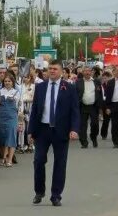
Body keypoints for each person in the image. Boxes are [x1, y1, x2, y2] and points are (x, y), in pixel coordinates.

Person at [28, 61, 80, 207]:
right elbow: (35, 110)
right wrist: (31, 131)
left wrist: (74, 129)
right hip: (43, 129)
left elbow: (75, 110)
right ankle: (39, 191)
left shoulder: (68, 88)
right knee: (38, 160)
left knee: (60, 163)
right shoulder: (41, 87)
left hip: (60, 130)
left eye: (55, 69)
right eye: (50, 69)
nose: (52, 71)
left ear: (61, 72)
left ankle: (56, 195)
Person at [75, 66, 103, 148]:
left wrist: (101, 107)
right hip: (82, 106)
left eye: (89, 71)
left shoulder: (97, 82)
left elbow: (100, 94)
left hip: (93, 106)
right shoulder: (78, 82)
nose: (87, 73)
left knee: (95, 124)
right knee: (82, 126)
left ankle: (93, 138)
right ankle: (84, 142)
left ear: (92, 72)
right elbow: (75, 95)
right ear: (82, 72)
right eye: (85, 71)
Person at [0, 73, 20, 167]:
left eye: (9, 81)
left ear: (12, 82)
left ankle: (9, 159)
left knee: (11, 137)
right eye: (5, 81)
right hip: (1, 116)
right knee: (1, 137)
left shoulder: (16, 92)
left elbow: (19, 106)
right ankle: (2, 157)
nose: (7, 83)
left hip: (12, 116)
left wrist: (20, 119)